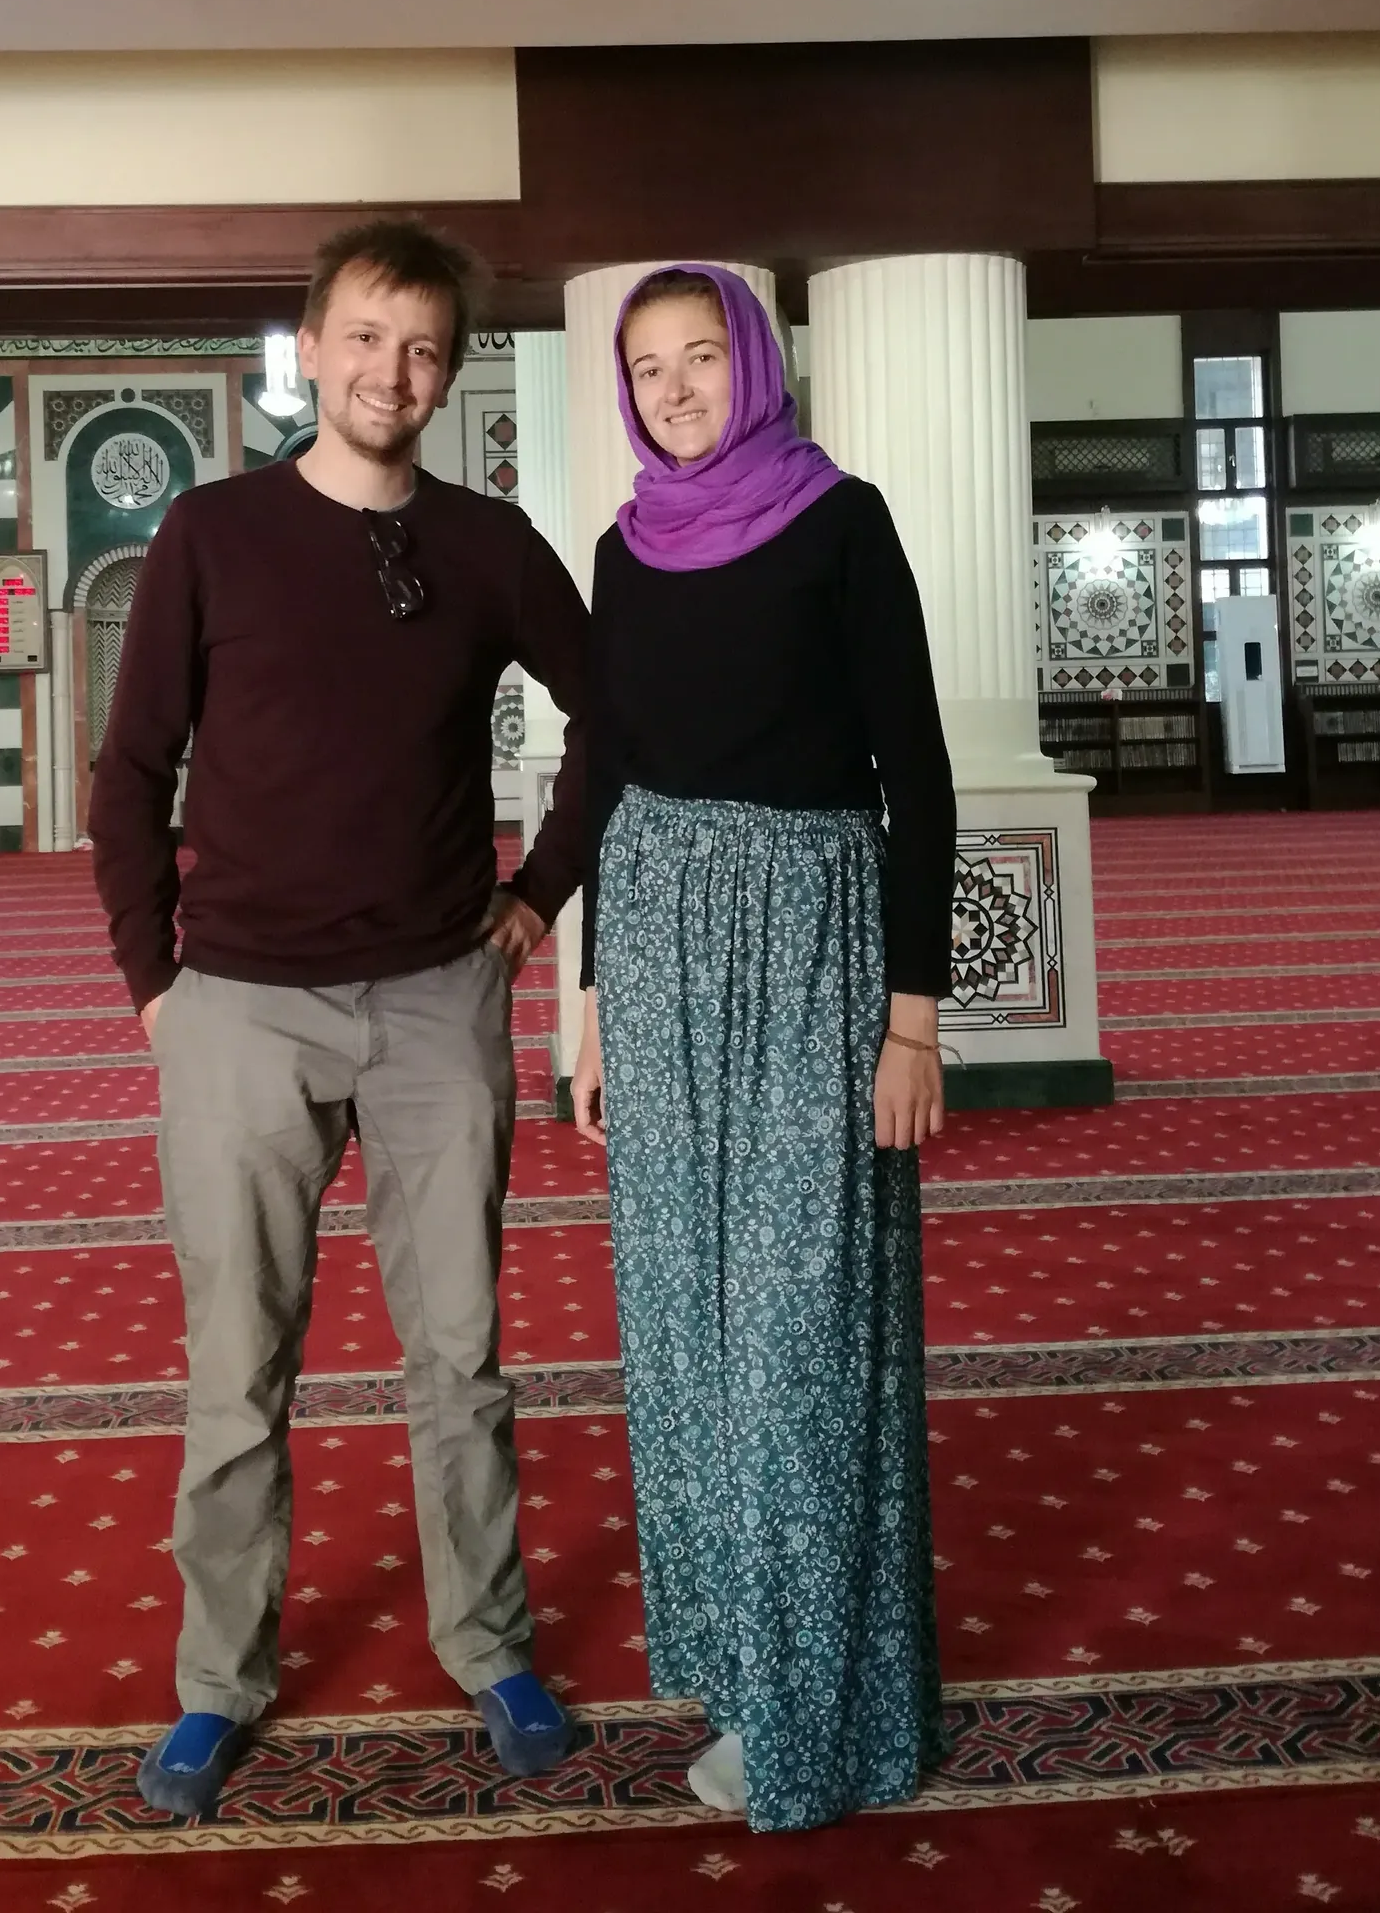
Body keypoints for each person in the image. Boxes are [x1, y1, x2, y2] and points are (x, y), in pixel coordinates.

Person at [89, 219, 590, 1818]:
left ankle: (491, 1643)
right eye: (366, 337)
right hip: (238, 1003)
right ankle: (217, 1682)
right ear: (309, 348)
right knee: (240, 1366)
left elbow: (621, 716)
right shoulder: (212, 532)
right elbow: (128, 767)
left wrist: (542, 892)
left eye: (426, 347)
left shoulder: (496, 544)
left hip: (442, 994)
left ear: (451, 370)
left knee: (462, 1356)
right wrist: (153, 978)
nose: (394, 371)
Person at [568, 264, 956, 1832]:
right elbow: (604, 777)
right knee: (685, 1340)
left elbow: (918, 774)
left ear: (757, 364)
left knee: (800, 1350)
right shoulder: (621, 548)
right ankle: (744, 1663)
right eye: (646, 367)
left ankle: (827, 1708)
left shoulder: (842, 522)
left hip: (811, 951)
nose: (672, 388)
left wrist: (915, 1020)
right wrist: (586, 1011)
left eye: (698, 358)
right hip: (654, 950)